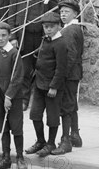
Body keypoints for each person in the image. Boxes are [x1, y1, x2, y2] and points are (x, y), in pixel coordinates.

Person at [9, 0, 55, 109]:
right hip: (25, 36)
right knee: (25, 68)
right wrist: (14, 38)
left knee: (43, 66)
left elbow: (52, 16)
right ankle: (24, 99)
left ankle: (43, 99)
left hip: (41, 36)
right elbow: (11, 18)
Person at [0, 22, 26, 169]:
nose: (1, 39)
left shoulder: (14, 53)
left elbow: (18, 77)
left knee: (16, 126)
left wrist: (9, 96)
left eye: (3, 36)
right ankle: (6, 157)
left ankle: (20, 157)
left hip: (12, 95)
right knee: (3, 127)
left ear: (9, 36)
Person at [25, 12, 68, 157]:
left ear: (58, 26)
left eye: (51, 27)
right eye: (45, 26)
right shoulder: (45, 40)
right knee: (35, 114)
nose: (48, 29)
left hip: (52, 87)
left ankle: (50, 143)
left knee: (52, 116)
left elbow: (61, 68)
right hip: (39, 84)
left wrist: (54, 86)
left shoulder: (61, 43)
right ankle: (41, 141)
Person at [52, 0, 84, 155]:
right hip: (74, 73)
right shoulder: (72, 28)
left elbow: (70, 55)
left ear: (75, 14)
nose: (63, 14)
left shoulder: (70, 30)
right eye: (61, 12)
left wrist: (61, 76)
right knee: (72, 103)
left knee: (65, 105)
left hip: (69, 74)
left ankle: (66, 141)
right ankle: (75, 135)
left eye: (67, 12)